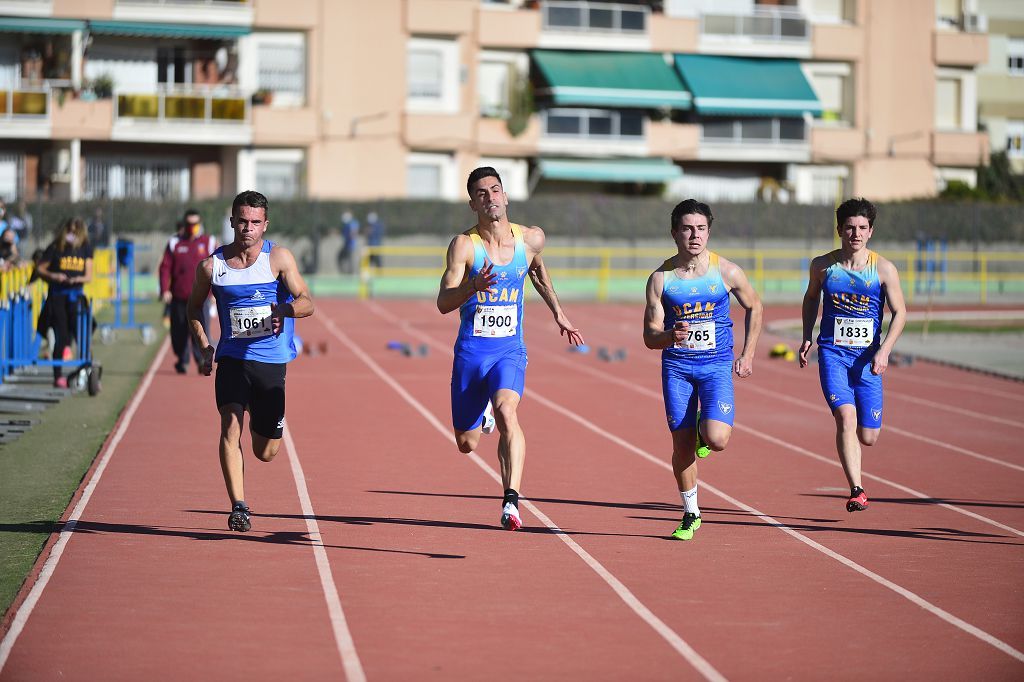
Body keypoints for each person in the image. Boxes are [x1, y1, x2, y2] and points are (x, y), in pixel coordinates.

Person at [437, 167, 583, 531]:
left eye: (495, 190)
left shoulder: (531, 239)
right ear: (473, 203)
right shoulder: (464, 246)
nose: (491, 198)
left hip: (509, 350)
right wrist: (473, 285)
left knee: (508, 413)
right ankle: (480, 415)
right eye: (482, 194)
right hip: (472, 354)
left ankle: (511, 501)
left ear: (505, 195)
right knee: (467, 444)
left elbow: (537, 272)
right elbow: (442, 302)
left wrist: (559, 313)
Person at [187, 190, 314, 532]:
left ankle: (268, 420)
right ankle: (239, 506)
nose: (248, 228)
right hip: (231, 358)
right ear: (232, 222)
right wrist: (204, 346)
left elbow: (307, 301)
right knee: (229, 426)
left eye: (255, 222)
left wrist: (286, 309)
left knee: (266, 451)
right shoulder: (211, 267)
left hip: (270, 363)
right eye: (242, 221)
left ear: (265, 225)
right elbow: (193, 307)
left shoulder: (278, 260)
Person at [643, 199, 763, 541]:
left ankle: (701, 427)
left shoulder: (726, 272)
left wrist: (748, 354)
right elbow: (649, 337)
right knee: (681, 446)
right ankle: (690, 512)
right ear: (674, 233)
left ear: (709, 232)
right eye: (687, 228)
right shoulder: (660, 279)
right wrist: (667, 335)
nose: (694, 235)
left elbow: (755, 306)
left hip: (716, 367)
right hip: (678, 369)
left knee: (717, 439)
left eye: (700, 229)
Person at [799, 198, 907, 513]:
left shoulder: (883, 269)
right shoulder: (822, 265)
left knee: (869, 436)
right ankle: (857, 489)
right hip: (832, 354)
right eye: (849, 227)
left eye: (861, 228)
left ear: (870, 231)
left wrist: (885, 351)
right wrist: (807, 336)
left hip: (868, 360)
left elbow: (900, 313)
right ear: (839, 230)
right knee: (845, 417)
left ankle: (857, 452)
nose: (855, 234)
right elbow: (810, 299)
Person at [35, 217, 93, 388]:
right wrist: (54, 276)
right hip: (57, 296)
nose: (71, 235)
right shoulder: (55, 247)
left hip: (76, 296)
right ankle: (58, 375)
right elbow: (40, 268)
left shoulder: (85, 248)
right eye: (69, 231)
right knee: (62, 337)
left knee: (82, 336)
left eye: (75, 232)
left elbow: (89, 275)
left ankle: (87, 371)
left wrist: (76, 279)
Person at [159, 208, 216, 374]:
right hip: (178, 296)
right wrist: (164, 290)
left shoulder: (209, 242)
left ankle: (200, 360)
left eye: (195, 224)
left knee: (200, 330)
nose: (192, 227)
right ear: (184, 224)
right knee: (178, 331)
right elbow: (165, 267)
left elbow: (217, 269)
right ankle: (182, 360)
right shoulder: (174, 243)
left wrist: (214, 293)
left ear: (200, 224)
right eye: (189, 224)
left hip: (201, 297)